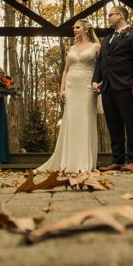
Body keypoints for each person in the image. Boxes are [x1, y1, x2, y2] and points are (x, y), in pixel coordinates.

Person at [36, 19, 100, 173]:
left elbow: (101, 67)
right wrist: (62, 89)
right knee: (70, 121)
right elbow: (65, 70)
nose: (74, 30)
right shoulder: (72, 47)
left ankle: (84, 162)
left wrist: (98, 83)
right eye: (74, 28)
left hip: (87, 87)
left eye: (77, 27)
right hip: (71, 87)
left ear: (85, 29)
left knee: (85, 120)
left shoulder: (96, 46)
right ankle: (68, 161)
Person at [93, 6, 133, 172]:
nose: (108, 18)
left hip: (126, 85)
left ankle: (132, 160)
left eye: (110, 15)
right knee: (113, 124)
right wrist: (96, 81)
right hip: (108, 88)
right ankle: (117, 159)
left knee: (130, 122)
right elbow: (101, 62)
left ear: (121, 15)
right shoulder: (107, 39)